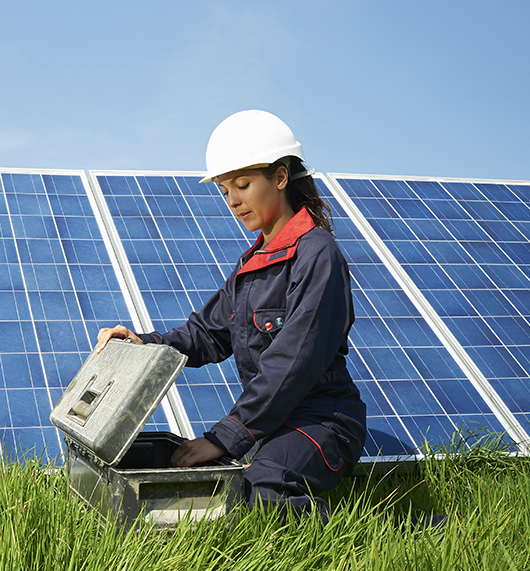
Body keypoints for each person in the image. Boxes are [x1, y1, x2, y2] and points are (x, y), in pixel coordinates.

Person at [96, 109, 367, 523]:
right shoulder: (253, 264)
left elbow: (292, 363)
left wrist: (223, 438)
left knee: (261, 492)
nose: (233, 201)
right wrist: (143, 344)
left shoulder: (317, 255)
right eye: (225, 190)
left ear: (280, 178)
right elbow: (206, 333)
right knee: (233, 493)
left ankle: (400, 535)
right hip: (273, 425)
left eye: (242, 184)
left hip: (322, 422)